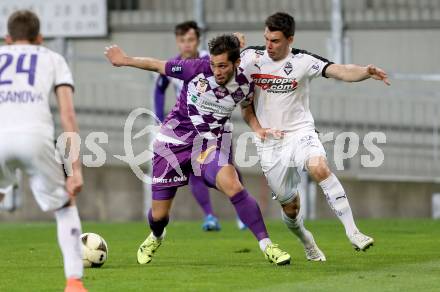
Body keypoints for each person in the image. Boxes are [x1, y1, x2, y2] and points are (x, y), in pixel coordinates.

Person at [105, 34, 291, 265]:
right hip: (172, 143)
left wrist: (258, 128)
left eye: (223, 65)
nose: (217, 71)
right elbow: (156, 64)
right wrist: (124, 59)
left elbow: (247, 109)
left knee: (232, 183)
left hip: (208, 144)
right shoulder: (194, 68)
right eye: (214, 64)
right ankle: (156, 235)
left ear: (235, 63)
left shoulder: (247, 81)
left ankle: (267, 246)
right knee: (159, 216)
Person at [240, 12, 390, 260]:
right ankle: (307, 241)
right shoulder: (250, 58)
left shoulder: (304, 61)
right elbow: (243, 106)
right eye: (266, 39)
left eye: (275, 40)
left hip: (301, 132)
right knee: (291, 208)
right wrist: (258, 130)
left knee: (319, 167)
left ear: (290, 39)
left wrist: (365, 71)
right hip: (269, 142)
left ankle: (353, 232)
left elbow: (340, 70)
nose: (269, 45)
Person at [0, 10, 86, 292]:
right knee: (64, 205)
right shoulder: (52, 58)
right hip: (35, 137)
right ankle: (73, 282)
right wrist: (74, 171)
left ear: (7, 39)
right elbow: (68, 115)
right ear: (40, 38)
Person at [154, 21, 220, 231]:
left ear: (198, 40)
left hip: (213, 124)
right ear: (177, 41)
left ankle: (241, 215)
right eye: (182, 40)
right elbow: (159, 89)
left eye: (190, 40)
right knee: (194, 171)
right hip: (186, 128)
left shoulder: (209, 62)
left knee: (227, 167)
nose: (186, 44)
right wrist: (159, 118)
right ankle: (210, 216)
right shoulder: (173, 64)